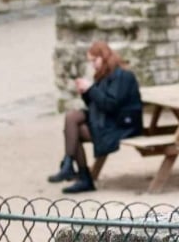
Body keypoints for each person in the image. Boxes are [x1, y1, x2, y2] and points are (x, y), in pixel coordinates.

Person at [48, 41, 143, 194]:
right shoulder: (104, 75)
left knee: (75, 130)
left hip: (121, 125)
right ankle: (71, 167)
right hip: (108, 121)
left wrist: (91, 89)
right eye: (91, 61)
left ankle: (77, 171)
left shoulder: (123, 76)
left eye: (94, 60)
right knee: (72, 117)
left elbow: (110, 105)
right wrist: (85, 92)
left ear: (104, 57)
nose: (93, 65)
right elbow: (96, 104)